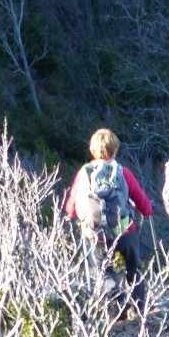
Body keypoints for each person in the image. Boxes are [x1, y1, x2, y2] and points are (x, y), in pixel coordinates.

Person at [64, 128, 154, 319]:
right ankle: (139, 307)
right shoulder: (123, 172)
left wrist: (72, 214)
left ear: (92, 151)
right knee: (134, 267)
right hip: (124, 231)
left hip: (96, 235)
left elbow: (72, 205)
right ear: (115, 151)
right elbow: (140, 198)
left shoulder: (84, 173)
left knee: (103, 270)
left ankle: (117, 302)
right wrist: (147, 211)